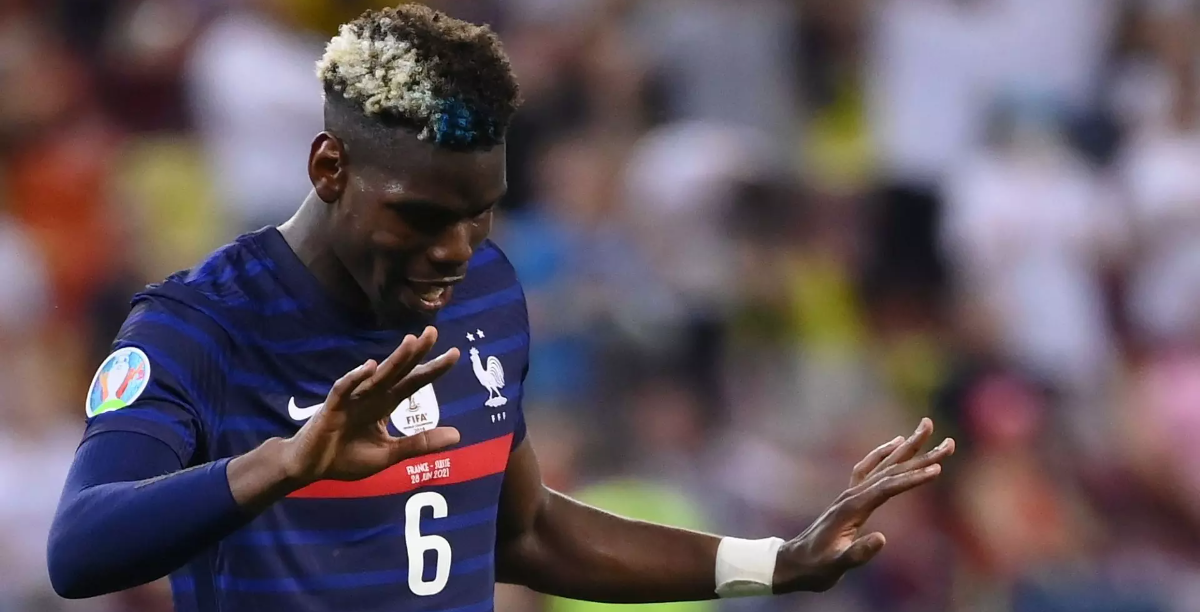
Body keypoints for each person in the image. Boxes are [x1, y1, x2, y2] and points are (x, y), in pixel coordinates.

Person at [46, 6, 955, 612]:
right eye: (420, 216)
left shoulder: (483, 292)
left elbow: (525, 531)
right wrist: (283, 464)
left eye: (479, 212)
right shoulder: (196, 328)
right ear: (330, 168)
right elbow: (80, 548)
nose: (455, 248)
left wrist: (773, 562)